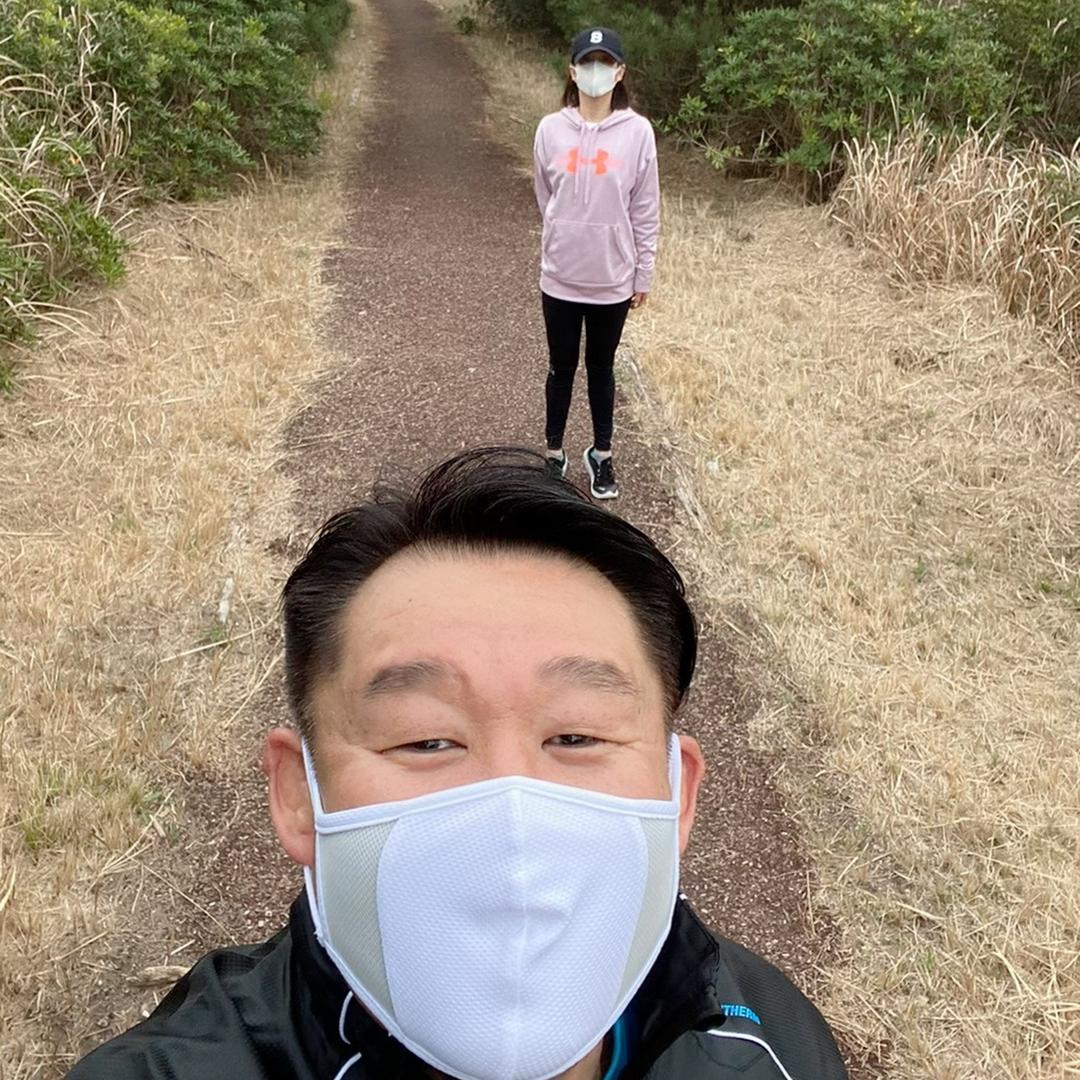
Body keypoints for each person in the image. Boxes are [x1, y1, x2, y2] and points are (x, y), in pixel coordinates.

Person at [69, 448, 849, 1080]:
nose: (511, 812)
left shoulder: (772, 1042)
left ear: (678, 796)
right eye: (426, 740)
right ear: (298, 793)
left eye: (576, 737)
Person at [533, 27, 659, 501]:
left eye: (605, 63)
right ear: (572, 71)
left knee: (601, 368)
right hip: (561, 277)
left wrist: (642, 271)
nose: (595, 72)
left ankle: (601, 455)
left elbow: (645, 209)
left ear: (619, 73)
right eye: (587, 62)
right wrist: (566, 232)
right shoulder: (550, 130)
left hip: (612, 279)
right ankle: (553, 454)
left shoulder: (638, 133)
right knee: (560, 367)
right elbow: (545, 195)